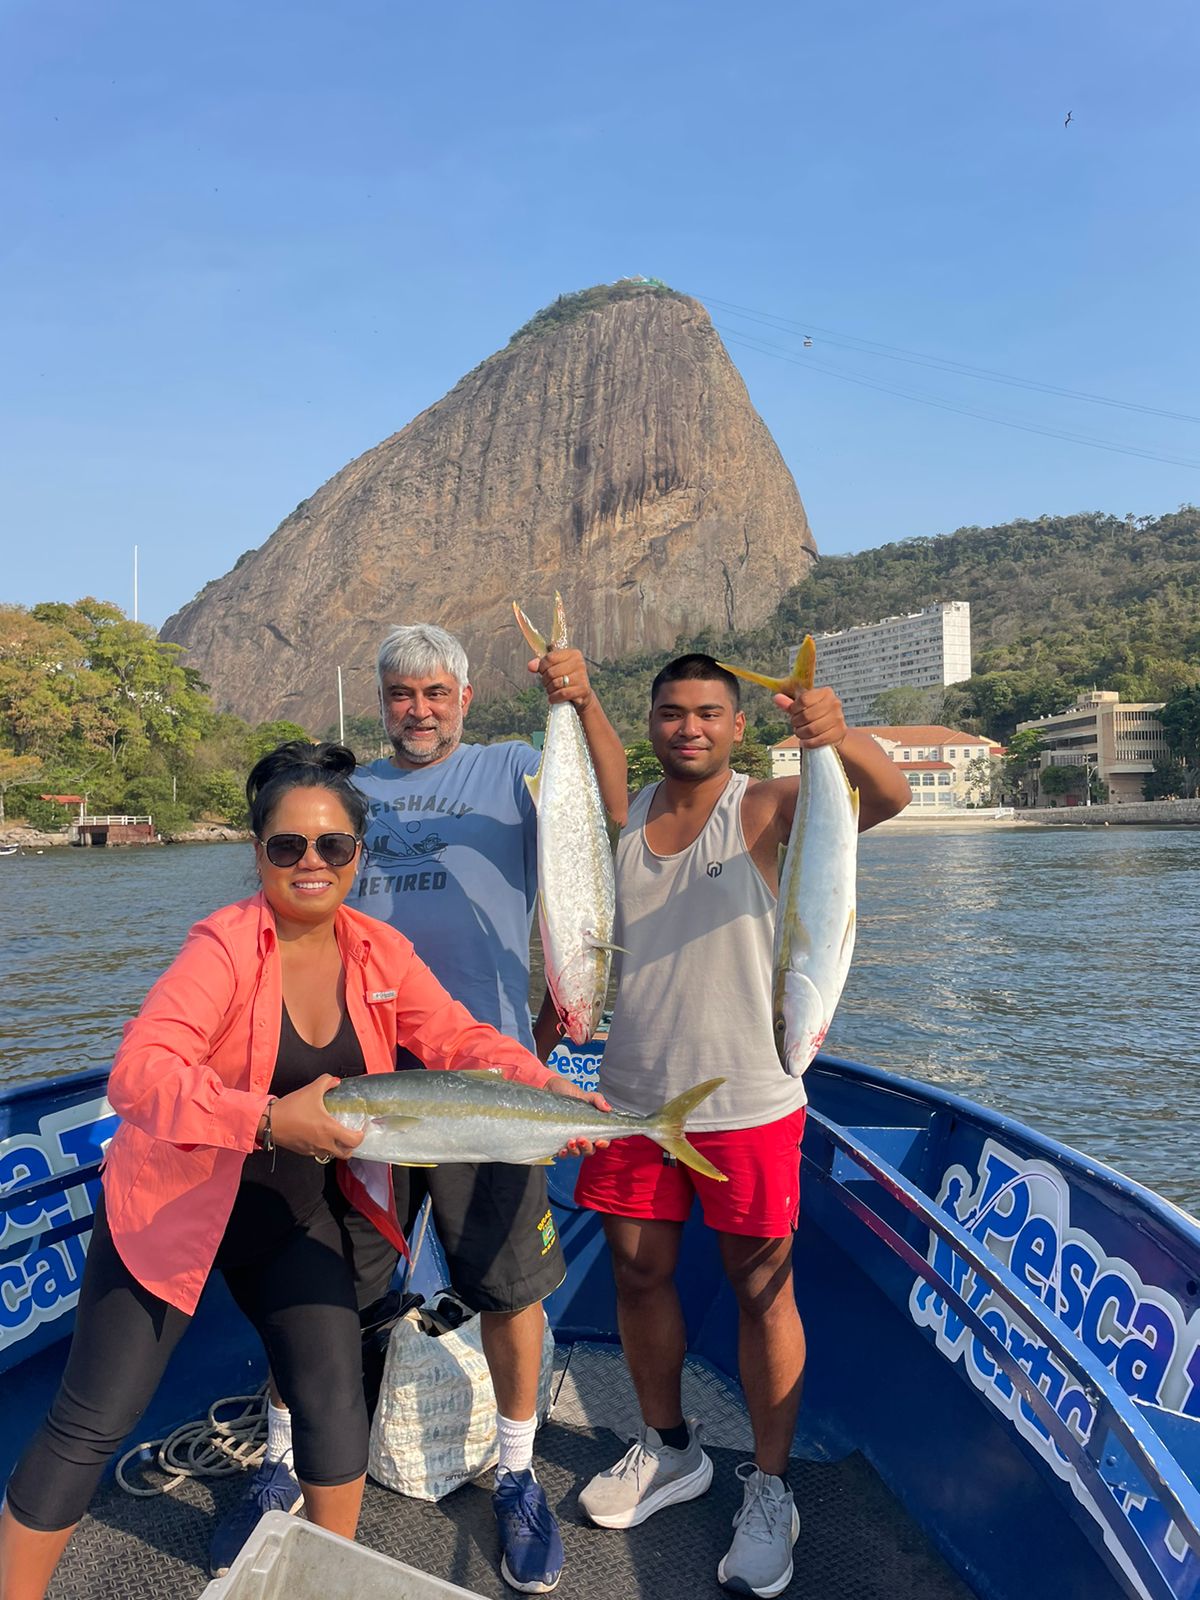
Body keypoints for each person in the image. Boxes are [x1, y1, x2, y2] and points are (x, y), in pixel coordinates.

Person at [0, 741, 603, 1600]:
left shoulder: (376, 950)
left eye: (333, 846)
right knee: (93, 1421)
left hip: (292, 1212)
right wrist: (269, 1118)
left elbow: (459, 1039)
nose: (311, 863)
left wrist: (549, 1091)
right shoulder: (222, 948)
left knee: (332, 1406)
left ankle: (326, 1584)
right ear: (258, 853)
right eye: (288, 846)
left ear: (360, 855)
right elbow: (141, 1073)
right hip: (175, 1209)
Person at [231, 624, 627, 1595]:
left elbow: (607, 811)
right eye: (401, 693)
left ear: (464, 693)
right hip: (356, 1089)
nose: (419, 709)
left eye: (435, 693)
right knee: (312, 1282)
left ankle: (521, 1475)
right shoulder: (352, 795)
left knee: (509, 1286)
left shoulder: (516, 767)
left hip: (483, 1080)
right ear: (383, 700)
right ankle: (281, 1457)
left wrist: (579, 703)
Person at [573, 654, 912, 1599]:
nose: (690, 728)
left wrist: (838, 731)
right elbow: (593, 753)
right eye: (672, 713)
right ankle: (669, 1449)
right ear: (653, 723)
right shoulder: (631, 812)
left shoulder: (765, 807)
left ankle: (770, 1488)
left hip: (749, 1105)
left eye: (709, 714)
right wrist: (578, 692)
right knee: (638, 1273)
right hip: (636, 1098)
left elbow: (884, 797)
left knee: (763, 1290)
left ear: (734, 726)